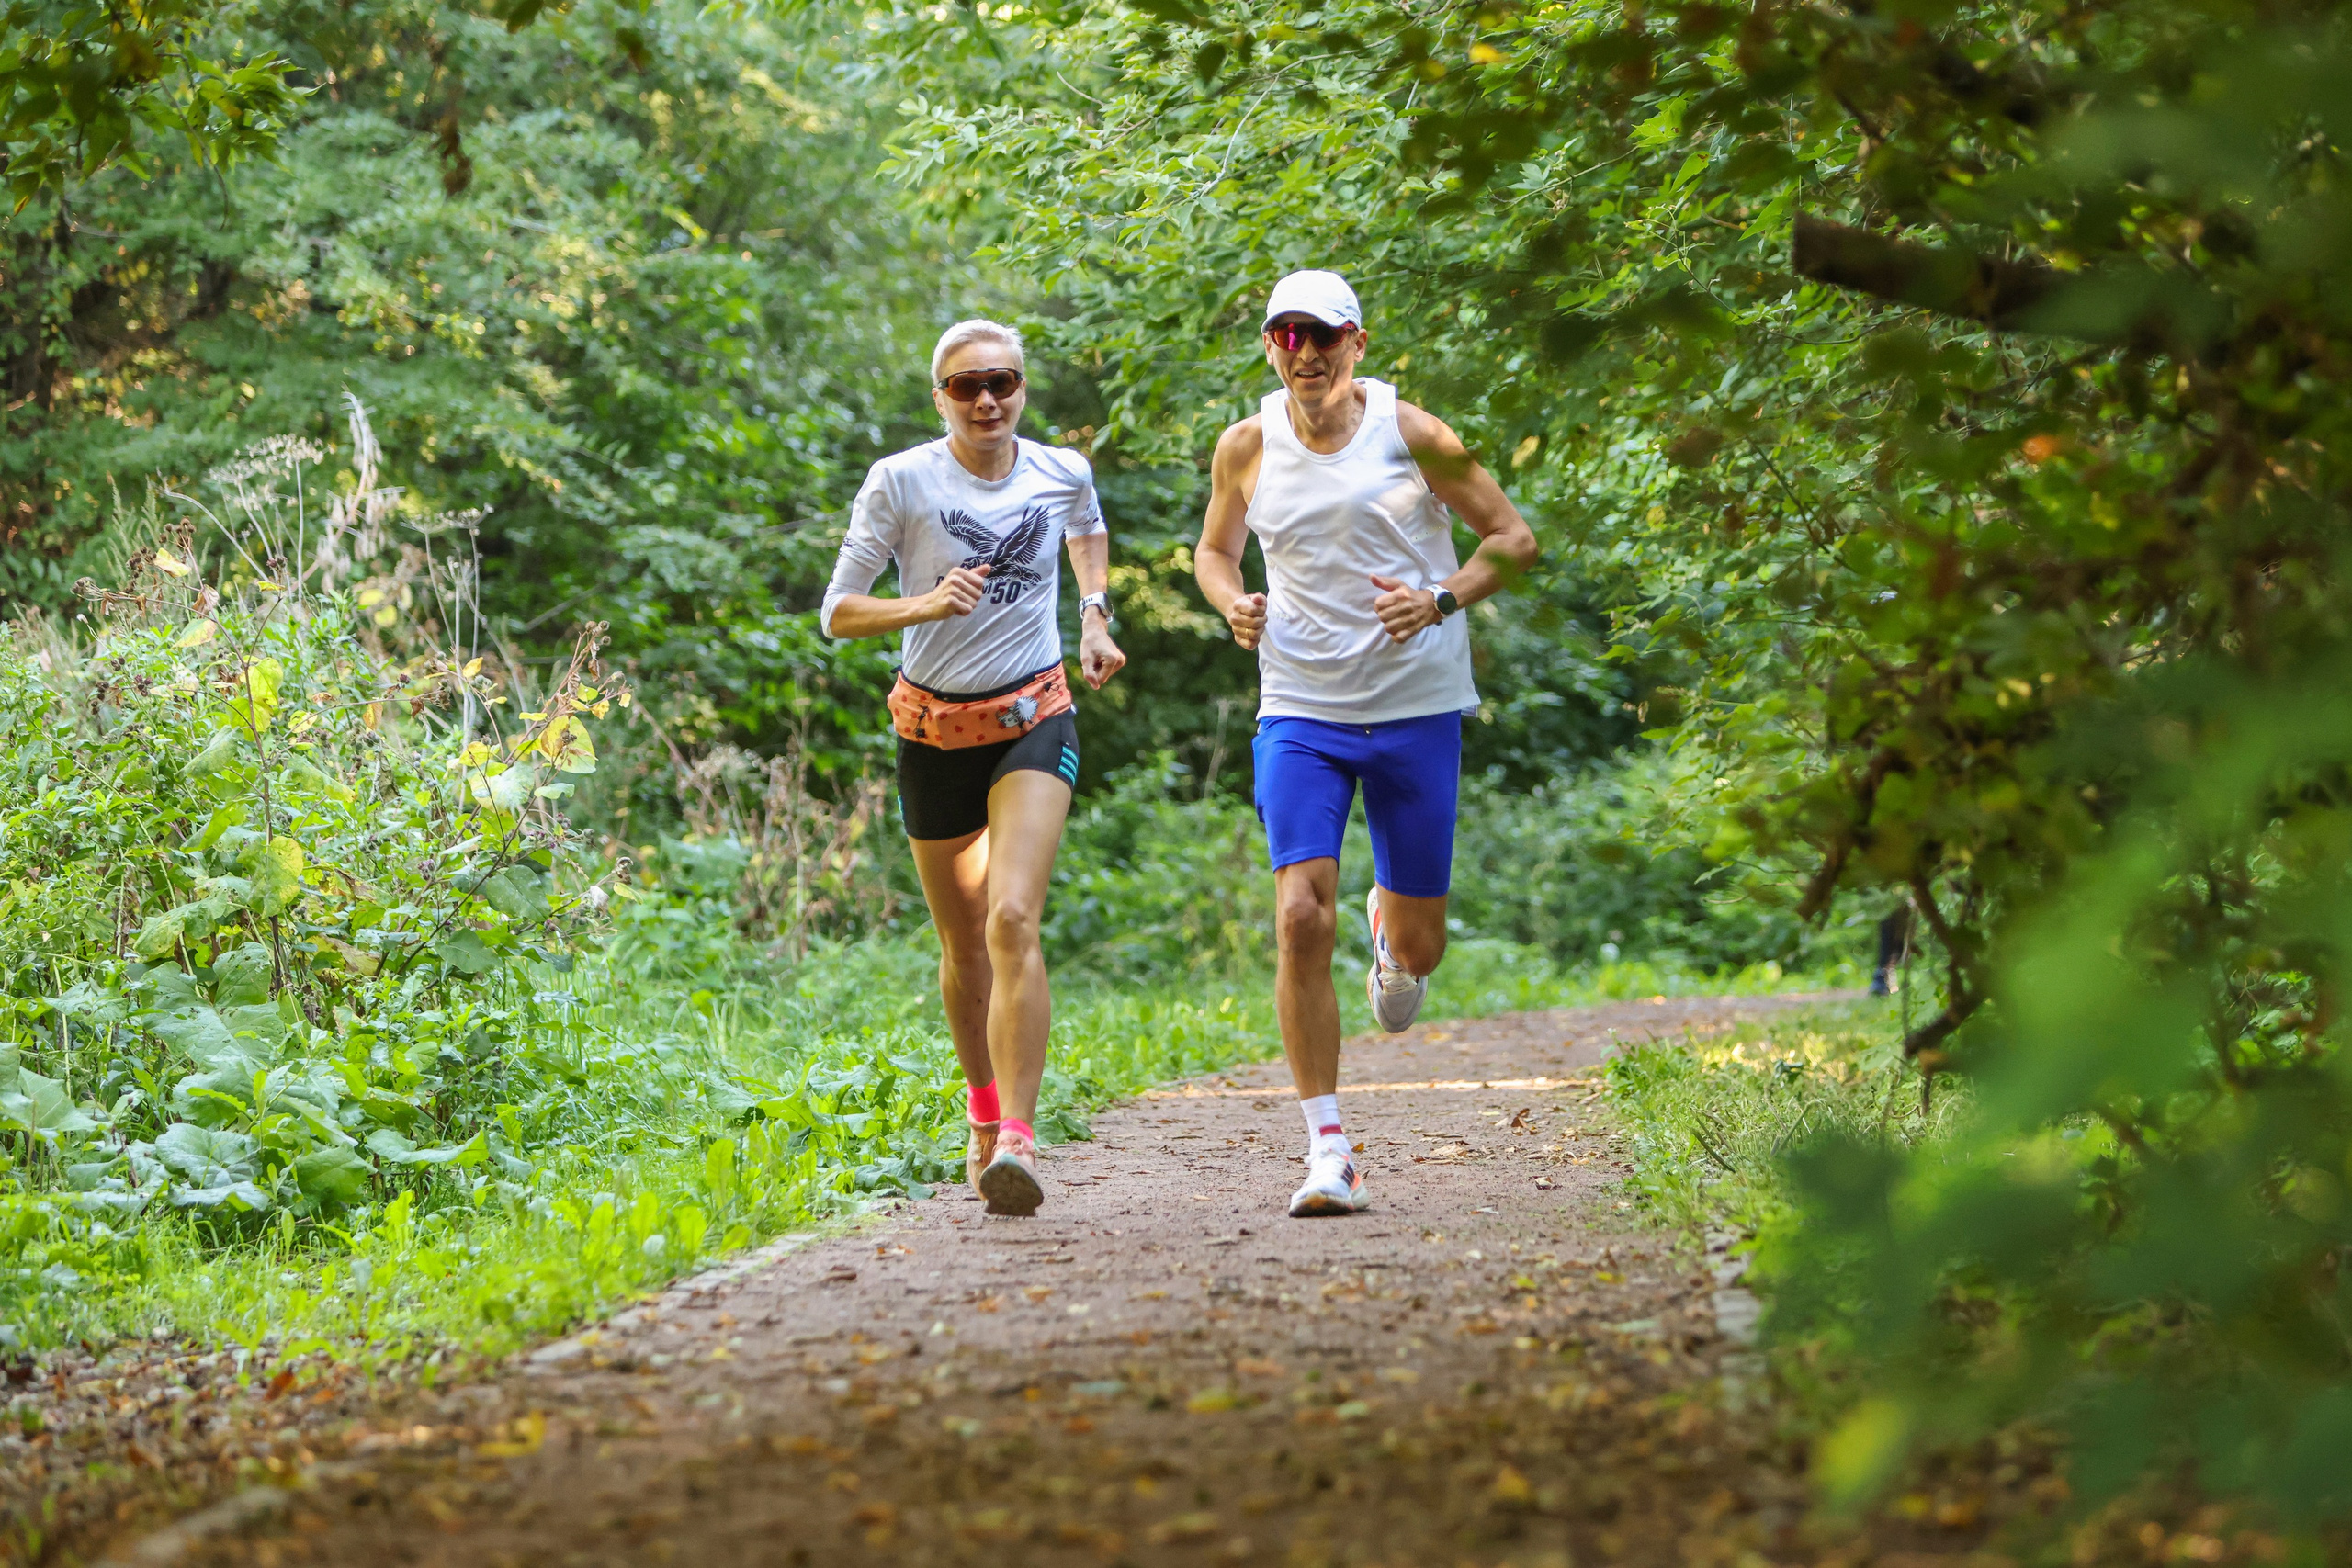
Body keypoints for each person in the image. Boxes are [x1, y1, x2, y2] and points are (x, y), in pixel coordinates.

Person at [1193, 270, 1539, 1218]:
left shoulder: (1414, 434)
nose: (1304, 353)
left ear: (1358, 343)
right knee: (1300, 916)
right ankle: (1328, 1147)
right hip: (1299, 708)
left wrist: (1439, 600)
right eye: (1286, 335)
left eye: (1322, 336)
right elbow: (1213, 554)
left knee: (1421, 952)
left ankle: (1394, 938)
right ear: (1270, 346)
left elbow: (1512, 538)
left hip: (1415, 706)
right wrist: (1234, 604)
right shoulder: (1246, 445)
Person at [822, 319, 1126, 1216]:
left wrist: (1095, 615)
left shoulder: (1060, 471)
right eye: (966, 386)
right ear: (940, 398)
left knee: (1011, 915)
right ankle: (983, 1108)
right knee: (962, 945)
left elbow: (1087, 530)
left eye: (1002, 382)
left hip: (1034, 714)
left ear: (1023, 388)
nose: (987, 399)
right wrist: (924, 602)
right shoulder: (903, 482)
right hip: (933, 731)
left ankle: (1020, 1142)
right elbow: (837, 613)